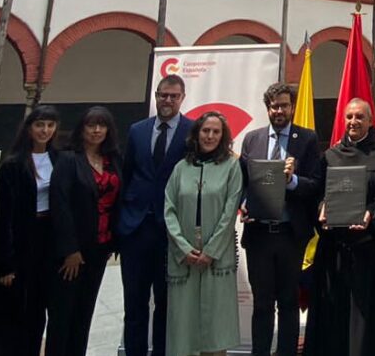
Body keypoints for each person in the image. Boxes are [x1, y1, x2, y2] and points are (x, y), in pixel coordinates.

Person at [303, 98, 375, 356]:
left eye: (359, 117)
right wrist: (322, 208)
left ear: (370, 121)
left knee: (367, 317)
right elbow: (315, 194)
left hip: (368, 250)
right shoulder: (330, 156)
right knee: (333, 314)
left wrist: (372, 215)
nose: (353, 122)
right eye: (349, 117)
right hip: (334, 251)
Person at [239, 82, 321, 356]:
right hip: (259, 235)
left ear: (292, 107)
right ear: (268, 109)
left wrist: (293, 180)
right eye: (274, 106)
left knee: (288, 302)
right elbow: (241, 183)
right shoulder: (252, 139)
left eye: (284, 105)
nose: (279, 110)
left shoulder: (307, 139)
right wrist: (242, 206)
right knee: (262, 303)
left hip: (290, 234)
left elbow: (316, 186)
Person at [118, 74, 193, 356]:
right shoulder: (137, 130)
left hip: (171, 232)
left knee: (166, 303)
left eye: (174, 96)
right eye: (163, 95)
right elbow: (127, 174)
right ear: (156, 96)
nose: (168, 101)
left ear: (182, 98)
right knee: (134, 303)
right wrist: (121, 225)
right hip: (136, 229)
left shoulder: (192, 130)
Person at [0, 105, 60, 356]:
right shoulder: (13, 165)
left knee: (37, 309)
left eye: (49, 125)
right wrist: (4, 263)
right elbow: (4, 217)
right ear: (28, 128)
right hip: (22, 238)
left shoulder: (60, 159)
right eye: (39, 125)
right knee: (12, 310)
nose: (44, 130)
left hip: (47, 239)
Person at [164, 111, 244, 356]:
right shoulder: (181, 168)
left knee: (215, 327)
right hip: (184, 255)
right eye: (205, 131)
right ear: (197, 134)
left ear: (223, 136)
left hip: (216, 256)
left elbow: (230, 212)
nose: (210, 136)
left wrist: (210, 251)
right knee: (183, 325)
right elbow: (169, 210)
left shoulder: (231, 166)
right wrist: (184, 248)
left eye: (216, 132)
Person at [45, 106, 123, 356]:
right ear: (82, 128)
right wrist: (70, 250)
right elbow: (60, 205)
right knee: (63, 315)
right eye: (91, 125)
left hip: (100, 248)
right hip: (73, 252)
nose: (97, 130)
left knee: (84, 313)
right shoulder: (68, 159)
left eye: (102, 125)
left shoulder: (114, 161)